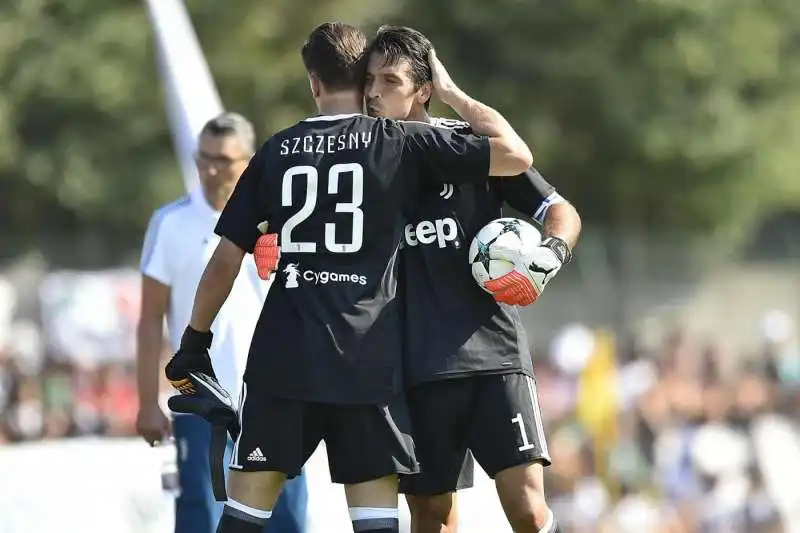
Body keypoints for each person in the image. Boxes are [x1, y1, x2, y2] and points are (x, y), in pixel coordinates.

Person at [164, 21, 534, 533]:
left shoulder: (274, 151)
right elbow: (516, 155)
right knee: (376, 522)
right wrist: (447, 92)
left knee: (245, 517)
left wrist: (193, 341)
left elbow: (225, 259)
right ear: (364, 81)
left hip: (283, 360)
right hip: (367, 362)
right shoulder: (398, 142)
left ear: (313, 82)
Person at [363, 26, 582, 533]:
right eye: (369, 79)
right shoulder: (361, 166)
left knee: (527, 509)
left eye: (390, 80)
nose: (374, 91)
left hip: (495, 359)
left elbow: (559, 210)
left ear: (423, 88)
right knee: (432, 516)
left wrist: (548, 255)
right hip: (412, 370)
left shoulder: (469, 148)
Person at [135, 112, 308, 533]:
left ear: (248, 161)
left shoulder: (286, 220)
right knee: (201, 516)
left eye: (223, 160)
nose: (211, 170)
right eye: (204, 158)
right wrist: (145, 401)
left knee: (286, 520)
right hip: (200, 396)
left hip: (276, 392)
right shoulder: (170, 222)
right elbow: (149, 318)